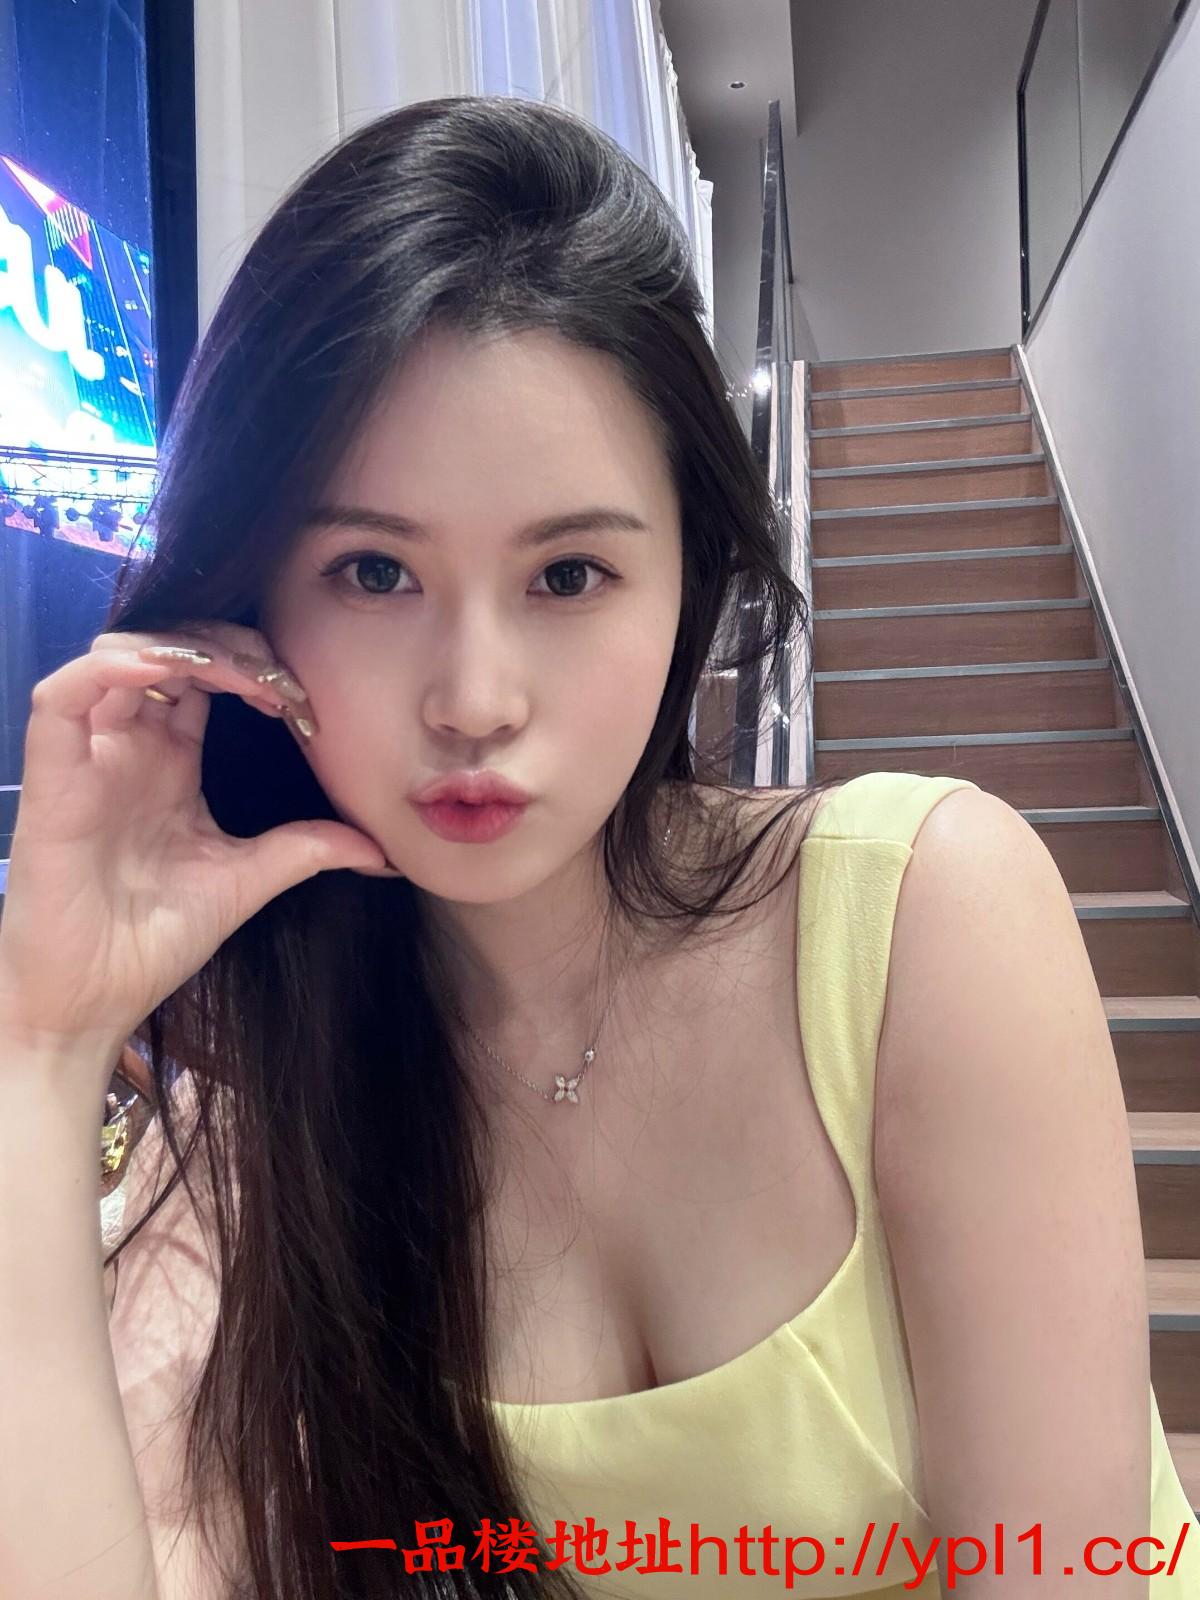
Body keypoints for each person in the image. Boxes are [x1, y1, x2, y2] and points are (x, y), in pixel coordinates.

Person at [0, 94, 1194, 1600]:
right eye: (373, 572)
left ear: (690, 575)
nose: (475, 699)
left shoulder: (921, 921)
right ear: (250, 609)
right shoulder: (273, 1101)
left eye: (568, 574)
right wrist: (42, 1048)